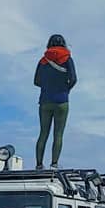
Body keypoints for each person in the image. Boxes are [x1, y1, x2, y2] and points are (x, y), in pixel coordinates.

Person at [34, 33, 77, 169]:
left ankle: (39, 165)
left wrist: (47, 86)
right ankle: (54, 164)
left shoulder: (43, 61)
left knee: (43, 133)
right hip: (62, 101)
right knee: (58, 134)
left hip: (45, 101)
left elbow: (36, 81)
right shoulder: (67, 59)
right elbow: (74, 79)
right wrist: (65, 89)